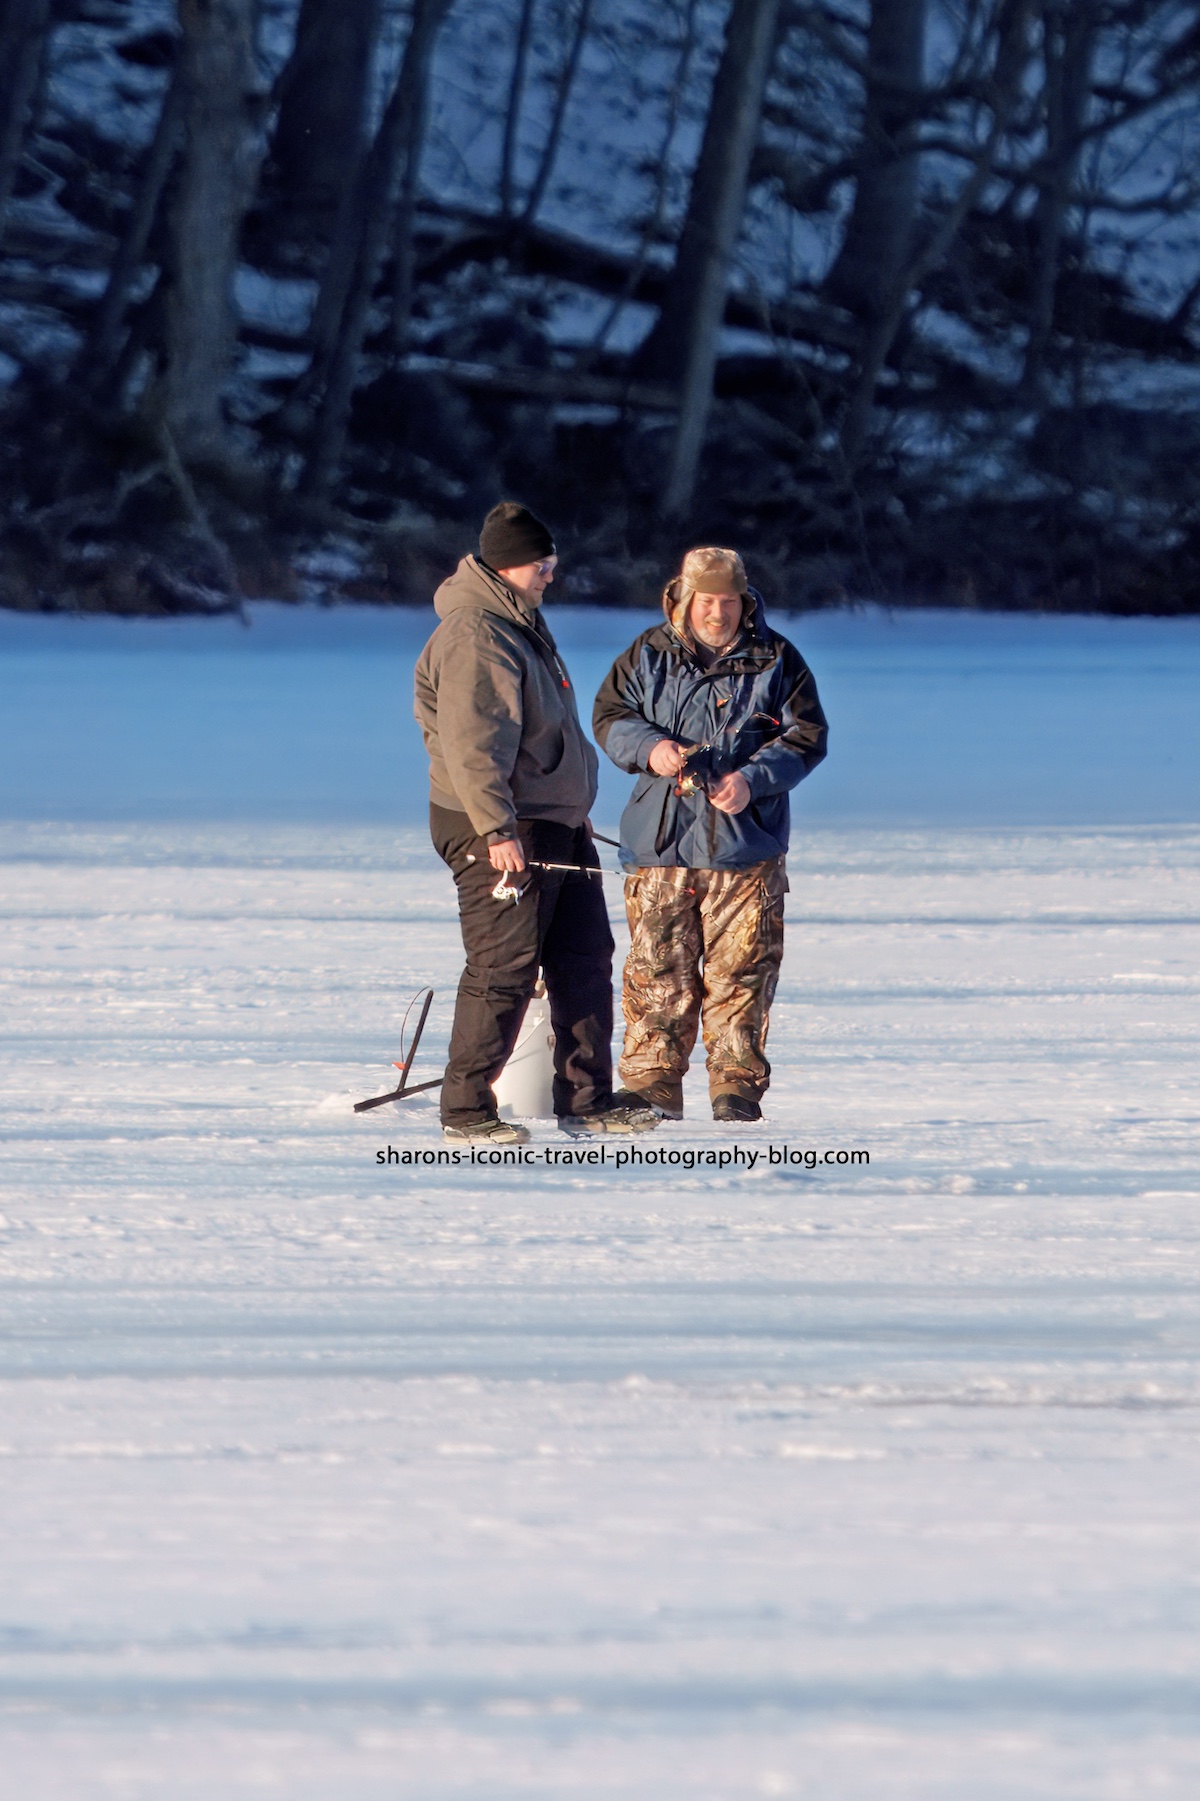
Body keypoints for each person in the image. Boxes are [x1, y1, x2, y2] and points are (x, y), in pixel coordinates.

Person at [414, 501, 659, 1145]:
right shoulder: (476, 633)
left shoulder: (517, 622)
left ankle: (587, 1099)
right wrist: (497, 831)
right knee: (504, 966)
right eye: (541, 566)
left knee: (584, 958)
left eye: (552, 564)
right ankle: (466, 1110)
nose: (551, 576)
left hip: (555, 823)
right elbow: (475, 745)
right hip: (501, 829)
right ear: (506, 566)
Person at [593, 546, 828, 1123]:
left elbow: (806, 736)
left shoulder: (779, 659)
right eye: (706, 601)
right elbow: (608, 717)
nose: (717, 613)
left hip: (746, 848)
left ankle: (736, 1089)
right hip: (661, 843)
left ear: (743, 601)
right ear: (683, 598)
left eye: (727, 602)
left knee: (743, 972)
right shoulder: (646, 653)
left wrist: (752, 781)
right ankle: (651, 1085)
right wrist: (652, 748)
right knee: (656, 970)